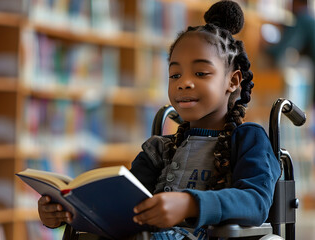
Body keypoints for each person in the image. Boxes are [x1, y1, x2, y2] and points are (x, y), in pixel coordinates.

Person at [38, 1, 281, 239]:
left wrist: (190, 204)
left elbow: (255, 202)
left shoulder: (249, 139)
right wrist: (67, 210)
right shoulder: (158, 149)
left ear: (233, 81)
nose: (183, 82)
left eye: (200, 73)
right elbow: (125, 206)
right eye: (175, 74)